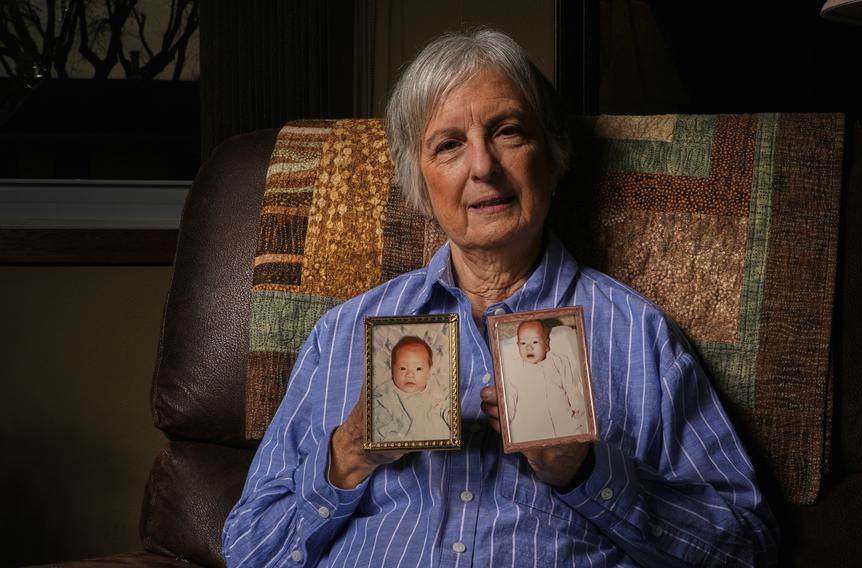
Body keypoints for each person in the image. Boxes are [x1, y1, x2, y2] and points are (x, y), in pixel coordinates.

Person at [222, 27, 779, 567]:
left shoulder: (641, 334)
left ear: (553, 156)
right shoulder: (343, 332)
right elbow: (250, 549)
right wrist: (347, 456)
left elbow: (747, 547)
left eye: (508, 131)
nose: (483, 166)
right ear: (420, 184)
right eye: (448, 145)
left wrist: (588, 473)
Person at [506, 319, 586, 442]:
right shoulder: (515, 368)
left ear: (547, 345)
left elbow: (570, 385)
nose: (528, 347)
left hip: (562, 419)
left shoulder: (558, 361)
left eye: (535, 341)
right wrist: (507, 414)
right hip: (532, 425)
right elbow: (509, 394)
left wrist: (576, 402)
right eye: (522, 343)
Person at [373, 335, 450, 441]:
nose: (410, 374)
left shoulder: (436, 388)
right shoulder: (386, 394)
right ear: (392, 369)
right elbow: (378, 422)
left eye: (418, 368)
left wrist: (450, 414)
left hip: (441, 446)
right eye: (403, 368)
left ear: (429, 371)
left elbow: (446, 404)